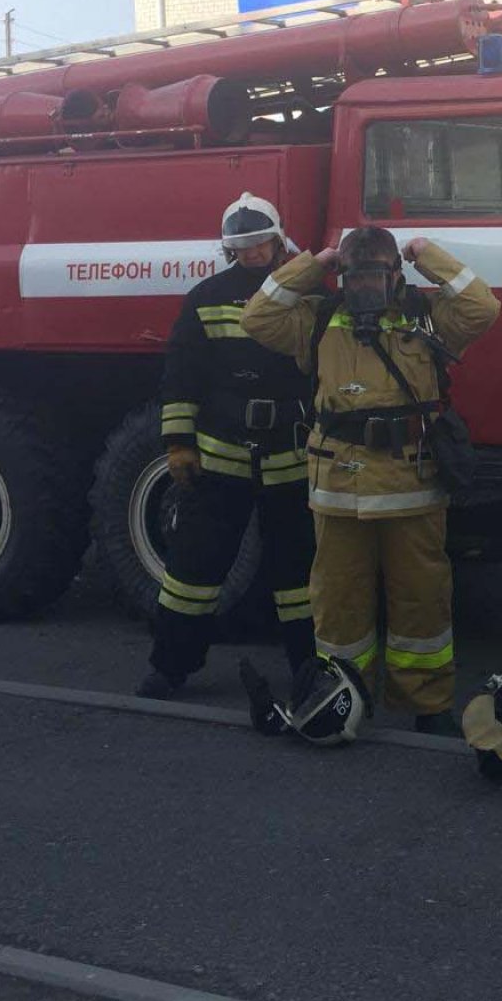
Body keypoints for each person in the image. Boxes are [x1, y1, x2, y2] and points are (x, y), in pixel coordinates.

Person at [240, 224, 498, 735]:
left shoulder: (425, 317)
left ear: (396, 274)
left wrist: (427, 254)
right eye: (355, 275)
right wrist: (317, 260)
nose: (364, 287)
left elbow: (482, 307)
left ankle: (427, 704)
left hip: (412, 484)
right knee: (338, 603)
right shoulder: (316, 320)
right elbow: (257, 316)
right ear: (341, 276)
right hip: (339, 487)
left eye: (376, 274)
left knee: (422, 599)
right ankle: (344, 696)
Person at [136, 194, 316, 715]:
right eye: (241, 248)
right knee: (193, 568)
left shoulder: (307, 297)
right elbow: (182, 374)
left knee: (299, 575)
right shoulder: (205, 297)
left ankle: (308, 668)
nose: (252, 254)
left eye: (260, 244)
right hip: (220, 455)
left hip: (291, 455)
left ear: (278, 242)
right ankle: (169, 665)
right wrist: (177, 442)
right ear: (229, 250)